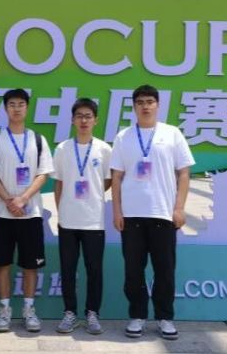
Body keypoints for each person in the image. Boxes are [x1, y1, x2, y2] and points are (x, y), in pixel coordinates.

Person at [109, 84, 194, 340]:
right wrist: (117, 211)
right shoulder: (123, 137)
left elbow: (184, 173)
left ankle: (165, 317)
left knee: (164, 269)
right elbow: (116, 177)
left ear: (158, 105)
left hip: (163, 214)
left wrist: (179, 208)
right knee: (133, 270)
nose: (145, 106)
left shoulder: (172, 134)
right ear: (133, 106)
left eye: (149, 101)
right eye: (140, 102)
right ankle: (137, 316)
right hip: (132, 215)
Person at [0, 88, 54, 332]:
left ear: (27, 108)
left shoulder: (38, 140)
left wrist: (23, 199)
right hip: (2, 213)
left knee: (30, 264)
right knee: (2, 263)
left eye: (21, 104)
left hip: (30, 212)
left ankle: (28, 310)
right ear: (5, 109)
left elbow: (43, 173)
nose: (16, 108)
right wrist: (9, 200)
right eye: (12, 104)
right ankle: (4, 311)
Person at [52, 97, 112, 334]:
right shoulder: (63, 149)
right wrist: (61, 211)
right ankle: (69, 313)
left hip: (94, 221)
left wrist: (93, 194)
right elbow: (59, 183)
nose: (84, 120)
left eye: (88, 116)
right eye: (79, 116)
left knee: (94, 269)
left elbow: (107, 180)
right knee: (68, 269)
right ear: (72, 120)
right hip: (68, 220)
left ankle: (92, 313)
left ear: (95, 120)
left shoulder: (104, 149)